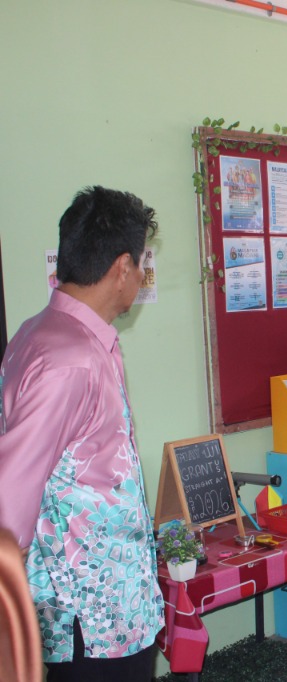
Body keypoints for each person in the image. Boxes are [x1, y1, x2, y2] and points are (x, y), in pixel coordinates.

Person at [0, 186, 164, 681]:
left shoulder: (50, 334)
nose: (142, 275)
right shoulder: (69, 359)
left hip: (114, 606)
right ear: (122, 267)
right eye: (142, 264)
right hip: (90, 621)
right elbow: (10, 502)